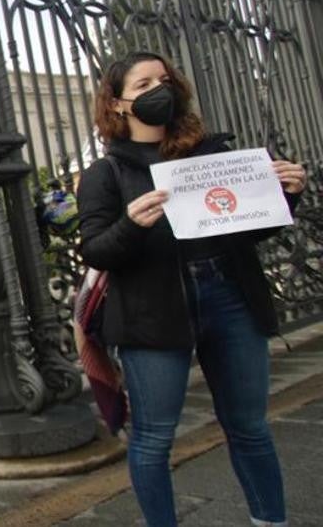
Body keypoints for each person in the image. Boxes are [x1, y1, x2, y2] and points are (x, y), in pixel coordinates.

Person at [77, 51, 307, 527]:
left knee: (249, 427)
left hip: (231, 297)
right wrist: (132, 225)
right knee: (155, 437)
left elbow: (249, 228)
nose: (157, 90)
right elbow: (97, 250)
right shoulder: (107, 174)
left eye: (164, 80)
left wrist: (286, 196)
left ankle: (271, 520)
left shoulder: (211, 155)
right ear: (118, 104)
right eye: (142, 85)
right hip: (153, 313)